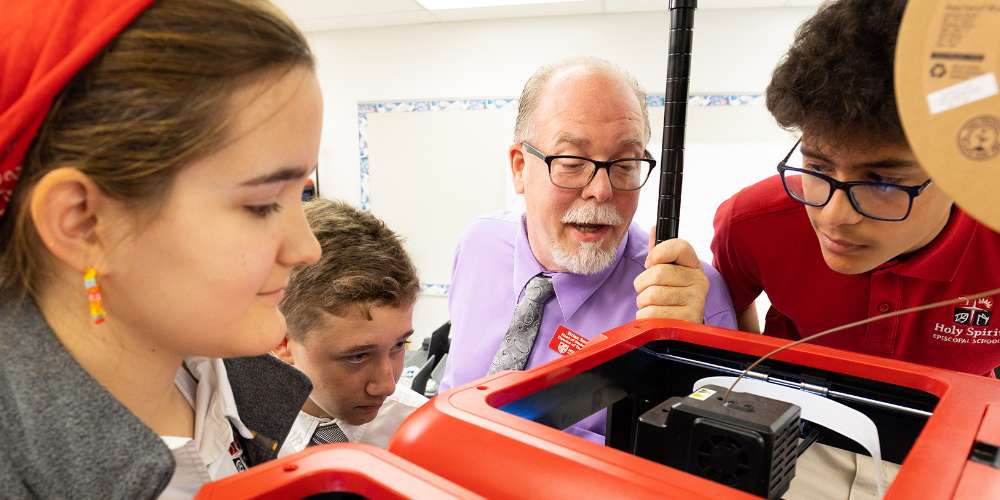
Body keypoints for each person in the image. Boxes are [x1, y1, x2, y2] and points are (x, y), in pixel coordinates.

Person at [0, 0, 325, 497]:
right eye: (261, 203)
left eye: (300, 193)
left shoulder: (231, 388)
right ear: (84, 223)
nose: (308, 249)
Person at [441, 57, 738, 439]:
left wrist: (686, 354)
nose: (602, 190)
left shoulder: (687, 297)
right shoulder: (478, 245)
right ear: (519, 168)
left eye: (625, 163)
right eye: (571, 161)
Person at [711, 0, 1000, 376]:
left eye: (882, 181)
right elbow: (729, 316)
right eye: (818, 167)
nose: (834, 216)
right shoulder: (751, 222)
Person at [271, 199, 427, 453]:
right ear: (282, 341)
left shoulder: (420, 429)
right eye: (357, 356)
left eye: (399, 345)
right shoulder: (223, 437)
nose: (387, 385)